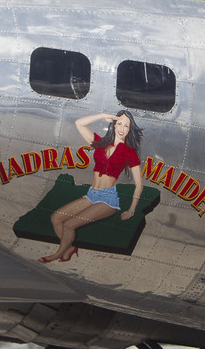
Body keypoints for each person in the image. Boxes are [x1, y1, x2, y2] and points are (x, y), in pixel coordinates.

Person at [39, 111, 144, 262]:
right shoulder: (101, 143)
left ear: (129, 129)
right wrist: (102, 115)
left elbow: (139, 184)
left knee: (69, 225)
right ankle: (69, 248)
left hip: (108, 199)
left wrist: (132, 209)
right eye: (119, 123)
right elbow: (79, 123)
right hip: (91, 195)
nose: (122, 128)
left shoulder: (129, 152)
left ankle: (57, 254)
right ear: (113, 125)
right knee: (56, 218)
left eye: (126, 125)